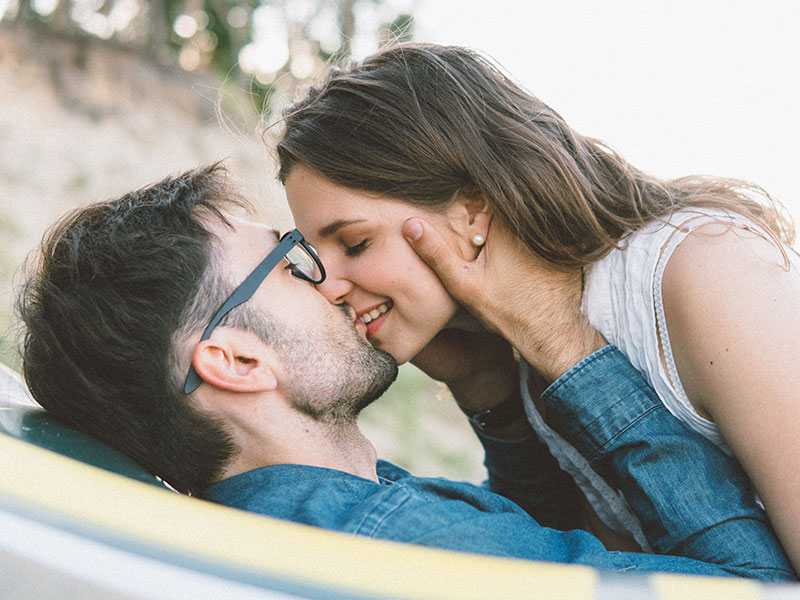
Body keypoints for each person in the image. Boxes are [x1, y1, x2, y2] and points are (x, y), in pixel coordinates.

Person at [16, 164, 794, 580]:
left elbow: (542, 551)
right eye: (292, 265)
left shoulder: (315, 517)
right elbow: (754, 589)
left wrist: (488, 389)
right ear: (235, 359)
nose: (332, 282)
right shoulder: (384, 543)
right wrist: (565, 343)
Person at [276, 42, 800, 564]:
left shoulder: (703, 272)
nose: (327, 288)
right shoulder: (512, 334)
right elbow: (576, 560)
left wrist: (563, 343)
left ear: (472, 210)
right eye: (315, 257)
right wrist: (490, 395)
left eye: (355, 244)